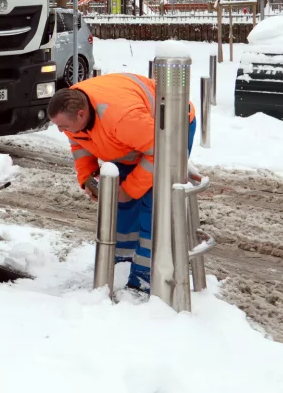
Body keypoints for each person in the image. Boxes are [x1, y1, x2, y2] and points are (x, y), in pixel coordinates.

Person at [47, 73, 196, 291]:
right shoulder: (73, 108)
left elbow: (162, 151)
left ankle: (147, 275)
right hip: (131, 139)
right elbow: (80, 145)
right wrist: (88, 178)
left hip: (169, 129)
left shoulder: (120, 118)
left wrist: (130, 190)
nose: (61, 131)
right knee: (120, 201)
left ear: (81, 115)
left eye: (62, 126)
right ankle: (122, 263)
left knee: (154, 202)